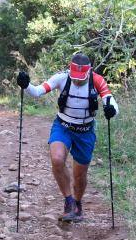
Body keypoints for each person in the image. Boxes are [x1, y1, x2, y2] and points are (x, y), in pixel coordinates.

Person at [16, 53, 118, 222]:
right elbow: (38, 91)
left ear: (89, 72)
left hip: (85, 131)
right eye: (74, 77)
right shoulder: (61, 78)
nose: (77, 81)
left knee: (80, 174)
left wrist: (111, 110)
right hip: (63, 126)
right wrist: (26, 85)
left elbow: (110, 101)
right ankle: (68, 201)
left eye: (81, 78)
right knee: (57, 159)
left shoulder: (97, 80)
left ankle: (77, 204)